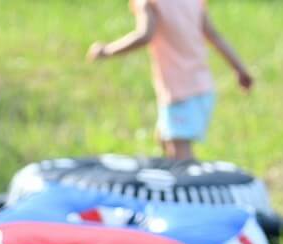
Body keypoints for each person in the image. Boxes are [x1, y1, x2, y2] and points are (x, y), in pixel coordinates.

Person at [87, 0, 253, 161]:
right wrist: (239, 69)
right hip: (202, 88)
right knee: (163, 138)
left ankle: (187, 184)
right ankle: (176, 180)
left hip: (180, 94)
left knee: (180, 157)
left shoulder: (149, 3)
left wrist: (107, 50)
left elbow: (144, 35)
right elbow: (214, 36)